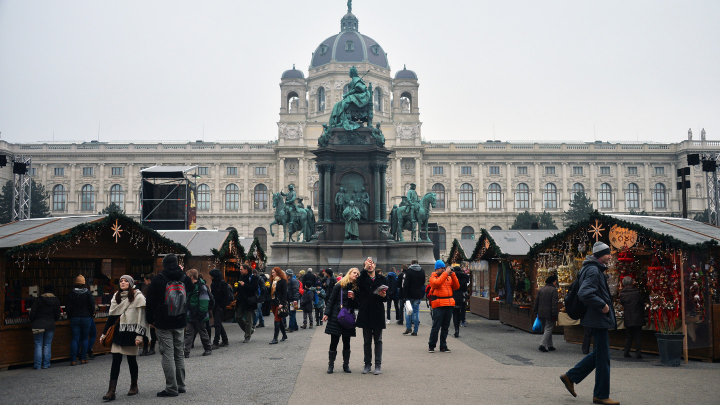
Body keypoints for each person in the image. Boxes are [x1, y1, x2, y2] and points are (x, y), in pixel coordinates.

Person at [560, 242, 619, 405]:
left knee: (600, 354)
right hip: (597, 318)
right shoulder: (593, 270)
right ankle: (600, 394)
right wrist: (603, 305)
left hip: (595, 318)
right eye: (608, 254)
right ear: (601, 255)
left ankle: (571, 376)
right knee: (603, 357)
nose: (610, 256)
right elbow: (584, 293)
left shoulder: (591, 268)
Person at [145, 253, 194, 397]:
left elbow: (150, 301)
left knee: (167, 354)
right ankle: (181, 385)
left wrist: (150, 319)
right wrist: (182, 272)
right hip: (180, 320)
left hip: (163, 321)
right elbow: (191, 289)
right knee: (179, 353)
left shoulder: (158, 279)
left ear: (164, 265)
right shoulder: (184, 277)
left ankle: (171, 388)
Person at [100, 275, 149, 400]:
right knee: (115, 361)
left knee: (131, 361)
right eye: (121, 281)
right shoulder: (116, 296)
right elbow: (111, 317)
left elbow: (142, 318)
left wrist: (140, 336)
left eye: (125, 281)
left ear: (131, 283)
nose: (122, 283)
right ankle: (111, 391)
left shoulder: (138, 297)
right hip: (118, 333)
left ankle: (134, 385)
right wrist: (104, 334)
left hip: (131, 334)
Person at [323, 268, 360, 373]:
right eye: (354, 273)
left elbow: (357, 305)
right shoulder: (339, 285)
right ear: (349, 273)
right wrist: (326, 314)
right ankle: (331, 365)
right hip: (336, 315)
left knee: (347, 342)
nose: (356, 275)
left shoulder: (356, 288)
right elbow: (331, 300)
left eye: (358, 273)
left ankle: (346, 365)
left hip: (348, 317)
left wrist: (353, 298)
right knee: (334, 341)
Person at [357, 258, 388, 375]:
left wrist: (384, 295)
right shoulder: (363, 278)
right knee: (366, 341)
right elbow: (359, 284)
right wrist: (364, 270)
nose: (370, 266)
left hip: (377, 312)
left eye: (372, 263)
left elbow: (386, 297)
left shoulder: (382, 279)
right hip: (365, 312)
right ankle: (367, 364)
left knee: (378, 340)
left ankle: (378, 365)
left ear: (375, 265)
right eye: (367, 264)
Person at [427, 260, 459, 353]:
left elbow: (456, 286)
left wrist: (452, 275)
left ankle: (443, 346)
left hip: (449, 304)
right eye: (442, 268)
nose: (444, 269)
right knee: (436, 326)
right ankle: (431, 345)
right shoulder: (433, 277)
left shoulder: (448, 277)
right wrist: (445, 274)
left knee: (445, 327)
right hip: (438, 304)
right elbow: (436, 284)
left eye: (444, 268)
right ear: (437, 269)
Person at [67, 275, 96, 366]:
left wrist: (70, 315)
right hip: (86, 317)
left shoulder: (71, 293)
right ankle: (83, 358)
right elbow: (92, 306)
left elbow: (67, 307)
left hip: (75, 317)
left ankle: (73, 359)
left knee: (75, 338)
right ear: (84, 283)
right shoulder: (88, 293)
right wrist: (90, 315)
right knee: (85, 338)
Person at [30, 284, 61, 369]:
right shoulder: (56, 300)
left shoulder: (38, 300)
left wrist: (33, 320)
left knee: (38, 344)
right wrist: (54, 320)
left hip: (38, 324)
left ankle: (37, 365)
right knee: (47, 344)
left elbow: (33, 313)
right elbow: (57, 314)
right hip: (50, 324)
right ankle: (46, 364)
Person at [184, 269, 212, 356]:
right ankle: (186, 351)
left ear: (191, 277)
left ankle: (208, 348)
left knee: (202, 332)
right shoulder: (190, 286)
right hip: (191, 313)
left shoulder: (201, 287)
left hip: (199, 314)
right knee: (189, 333)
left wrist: (201, 313)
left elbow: (204, 301)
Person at [619, 276, 645, 359]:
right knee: (638, 336)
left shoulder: (622, 294)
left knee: (629, 336)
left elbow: (623, 303)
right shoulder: (637, 293)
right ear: (631, 283)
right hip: (637, 316)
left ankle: (626, 352)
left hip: (628, 316)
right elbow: (642, 303)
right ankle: (638, 353)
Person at [234, 264, 259, 343]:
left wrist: (244, 285)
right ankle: (249, 330)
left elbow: (254, 288)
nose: (240, 270)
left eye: (241, 269)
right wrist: (237, 287)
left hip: (249, 300)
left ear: (246, 269)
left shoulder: (253, 277)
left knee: (249, 319)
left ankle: (247, 336)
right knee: (238, 317)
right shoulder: (241, 277)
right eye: (240, 269)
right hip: (241, 300)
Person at [534, 275, 559, 352]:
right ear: (553, 281)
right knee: (548, 328)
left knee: (547, 328)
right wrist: (554, 314)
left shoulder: (541, 289)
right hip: (549, 312)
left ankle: (550, 345)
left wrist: (536, 311)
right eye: (556, 281)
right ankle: (542, 345)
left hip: (541, 312)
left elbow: (536, 302)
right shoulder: (553, 290)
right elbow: (554, 304)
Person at [209, 268, 231, 349]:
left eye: (211, 275)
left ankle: (216, 342)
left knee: (217, 324)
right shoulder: (214, 284)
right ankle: (225, 340)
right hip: (216, 305)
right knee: (218, 323)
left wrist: (222, 306)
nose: (209, 276)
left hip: (220, 306)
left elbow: (226, 296)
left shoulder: (222, 284)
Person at [403, 260, 425, 336]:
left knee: (408, 311)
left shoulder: (409, 272)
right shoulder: (422, 271)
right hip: (418, 295)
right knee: (416, 312)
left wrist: (405, 295)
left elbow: (405, 284)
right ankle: (415, 330)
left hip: (409, 295)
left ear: (411, 264)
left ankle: (408, 328)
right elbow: (423, 283)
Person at [269, 267, 289, 344]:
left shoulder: (283, 281)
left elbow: (285, 293)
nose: (272, 274)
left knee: (277, 319)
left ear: (278, 273)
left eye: (273, 272)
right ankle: (284, 335)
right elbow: (270, 292)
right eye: (272, 272)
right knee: (279, 319)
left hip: (279, 302)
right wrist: (267, 287)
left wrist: (282, 303)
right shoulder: (273, 281)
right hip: (273, 301)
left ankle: (275, 338)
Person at [140, 274, 157, 356]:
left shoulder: (152, 288)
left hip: (152, 312)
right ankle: (146, 348)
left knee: (151, 331)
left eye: (145, 280)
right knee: (146, 330)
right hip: (149, 311)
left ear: (149, 280)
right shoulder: (148, 288)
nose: (144, 282)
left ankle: (150, 348)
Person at [451, 265, 469, 338]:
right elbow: (465, 289)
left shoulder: (452, 277)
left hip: (452, 297)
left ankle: (456, 329)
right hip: (460, 297)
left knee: (454, 314)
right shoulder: (464, 277)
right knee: (459, 312)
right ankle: (458, 327)